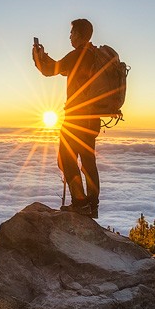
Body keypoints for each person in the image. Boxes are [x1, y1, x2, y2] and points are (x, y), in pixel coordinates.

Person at [33, 18, 111, 219]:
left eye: (72, 33)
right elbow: (63, 69)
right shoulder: (93, 55)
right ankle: (92, 206)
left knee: (65, 159)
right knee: (88, 161)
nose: (69, 36)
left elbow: (52, 70)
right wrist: (45, 56)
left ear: (79, 34)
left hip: (76, 118)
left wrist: (37, 58)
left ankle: (80, 202)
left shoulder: (79, 54)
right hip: (92, 119)